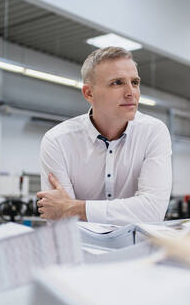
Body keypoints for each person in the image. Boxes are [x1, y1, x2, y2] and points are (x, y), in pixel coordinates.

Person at [36, 46, 172, 225]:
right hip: (83, 251)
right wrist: (66, 210)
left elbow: (153, 211)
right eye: (117, 83)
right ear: (89, 93)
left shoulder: (153, 132)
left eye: (135, 82)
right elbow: (60, 220)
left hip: (137, 250)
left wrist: (73, 208)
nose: (131, 92)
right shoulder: (57, 141)